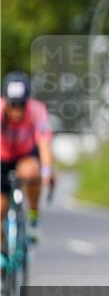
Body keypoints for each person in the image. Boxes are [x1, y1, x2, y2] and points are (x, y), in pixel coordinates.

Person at [1, 71, 55, 244]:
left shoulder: (37, 111)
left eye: (21, 105)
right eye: (12, 105)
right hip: (2, 157)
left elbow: (44, 143)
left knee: (32, 173)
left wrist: (46, 172)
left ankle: (32, 217)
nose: (16, 110)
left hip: (25, 155)